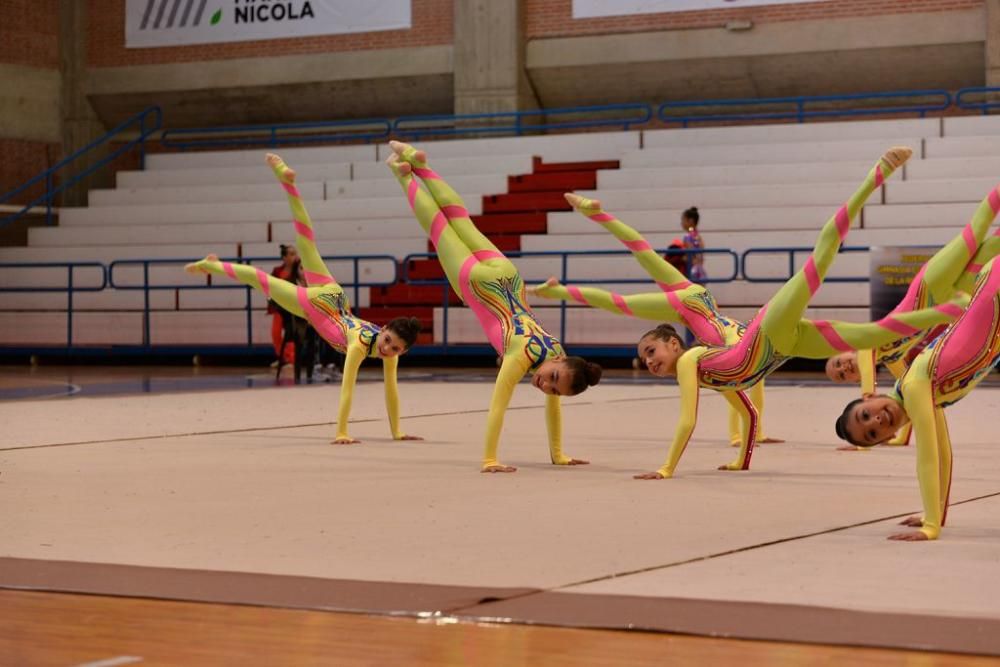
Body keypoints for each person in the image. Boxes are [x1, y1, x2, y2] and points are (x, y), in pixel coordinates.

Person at [634, 147, 965, 479]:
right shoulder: (715, 379)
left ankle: (876, 175)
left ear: (674, 344)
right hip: (786, 349)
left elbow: (688, 419)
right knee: (875, 334)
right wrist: (743, 460)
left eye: (651, 351)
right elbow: (748, 415)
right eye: (646, 359)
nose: (649, 362)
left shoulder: (691, 362)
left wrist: (666, 468)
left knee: (818, 263)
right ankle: (948, 311)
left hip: (767, 332)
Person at [387, 140, 602, 473]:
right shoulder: (521, 357)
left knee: (460, 219)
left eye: (553, 388)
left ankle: (420, 163)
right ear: (558, 362)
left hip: (509, 277)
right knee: (439, 226)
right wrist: (490, 458)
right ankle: (404, 175)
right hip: (477, 283)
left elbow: (553, 406)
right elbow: (498, 406)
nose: (545, 385)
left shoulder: (557, 350)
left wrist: (559, 454)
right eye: (552, 379)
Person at [186, 153, 424, 445]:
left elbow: (392, 391)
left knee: (306, 243)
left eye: (395, 349)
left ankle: (287, 185)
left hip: (336, 297)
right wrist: (341, 431)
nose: (388, 350)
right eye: (388, 341)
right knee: (263, 279)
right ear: (384, 329)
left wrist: (397, 431)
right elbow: (347, 388)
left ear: (402, 351)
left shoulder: (384, 348)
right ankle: (211, 264)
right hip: (321, 306)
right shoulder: (360, 346)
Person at [532, 194, 783, 447]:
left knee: (642, 257)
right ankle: (564, 278)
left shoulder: (691, 239)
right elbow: (735, 384)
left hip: (698, 299)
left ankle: (595, 217)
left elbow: (737, 385)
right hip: (698, 303)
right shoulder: (743, 343)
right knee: (626, 292)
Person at [834, 255, 1000, 541]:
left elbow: (928, 456)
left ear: (870, 396)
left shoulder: (914, 387)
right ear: (885, 438)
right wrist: (936, 514)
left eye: (865, 415)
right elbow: (944, 455)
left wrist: (931, 527)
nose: (877, 420)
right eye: (873, 433)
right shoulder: (924, 396)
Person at [825, 191, 1000, 447]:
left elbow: (867, 367)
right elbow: (910, 403)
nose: (844, 369)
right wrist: (897, 436)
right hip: (952, 298)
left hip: (930, 286)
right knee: (994, 246)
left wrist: (866, 392)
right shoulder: (893, 360)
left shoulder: (868, 345)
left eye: (839, 363)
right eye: (841, 375)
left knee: (976, 230)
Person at [269, 244, 298, 368]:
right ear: (284, 257)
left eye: (295, 253)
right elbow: (270, 286)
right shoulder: (277, 271)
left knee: (291, 334)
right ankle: (282, 357)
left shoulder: (299, 270)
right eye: (291, 254)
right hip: (279, 307)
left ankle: (291, 360)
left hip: (293, 307)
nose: (294, 256)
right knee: (275, 333)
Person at [681, 206, 706, 283]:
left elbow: (690, 255)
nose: (681, 223)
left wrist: (681, 258)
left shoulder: (688, 237)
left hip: (691, 272)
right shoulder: (698, 236)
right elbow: (700, 253)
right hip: (700, 271)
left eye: (683, 220)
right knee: (701, 293)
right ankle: (707, 296)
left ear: (690, 221)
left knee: (694, 293)